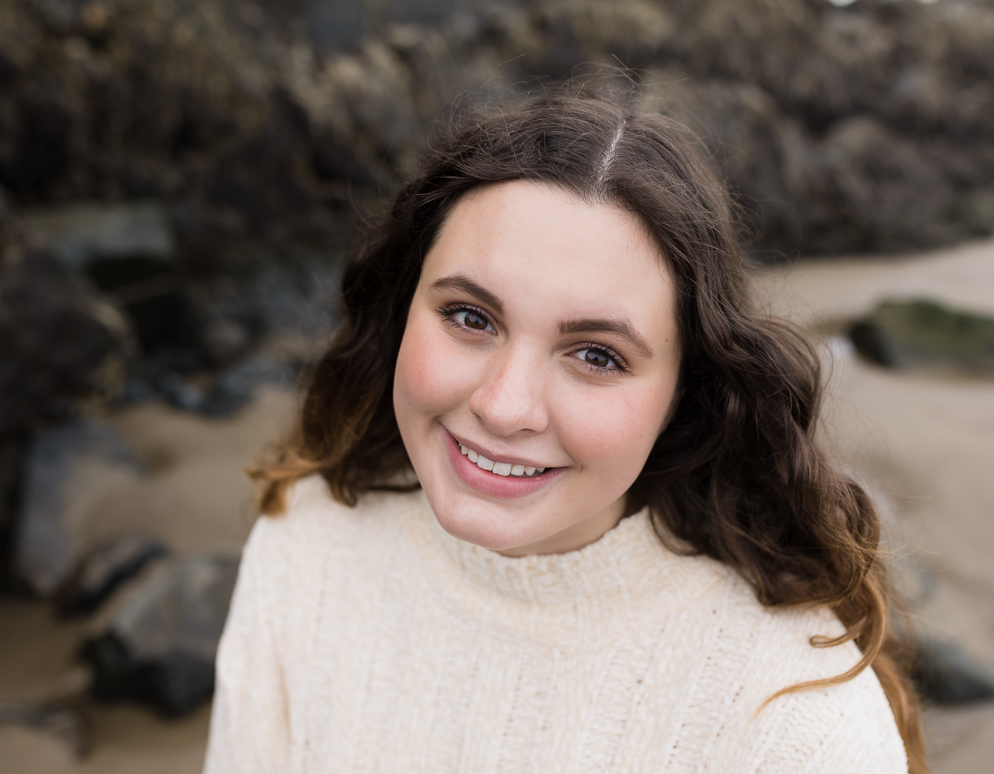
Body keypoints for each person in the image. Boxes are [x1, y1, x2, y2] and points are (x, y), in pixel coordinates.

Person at [203, 92, 925, 773]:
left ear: (685, 394)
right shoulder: (307, 538)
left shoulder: (800, 726)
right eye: (470, 317)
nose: (506, 406)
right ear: (400, 310)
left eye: (596, 355)